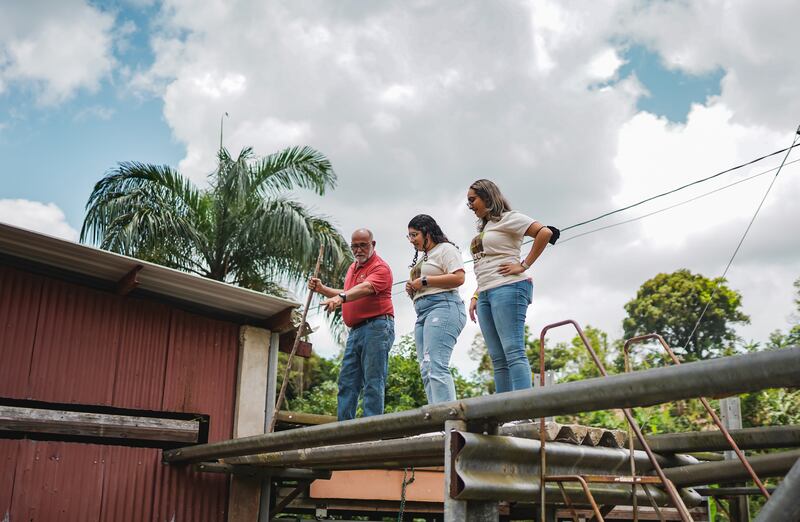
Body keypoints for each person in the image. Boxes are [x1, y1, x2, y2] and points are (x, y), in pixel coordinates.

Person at [467, 179, 552, 393]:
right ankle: (504, 413)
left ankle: (523, 411)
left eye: (472, 200)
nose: (470, 206)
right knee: (497, 358)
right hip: (485, 292)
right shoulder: (486, 227)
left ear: (487, 196)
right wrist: (476, 295)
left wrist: (523, 264)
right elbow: (485, 264)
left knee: (513, 351)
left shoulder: (509, 218)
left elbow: (545, 233)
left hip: (508, 287)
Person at [308, 228, 395, 421]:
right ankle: (344, 432)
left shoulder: (380, 268)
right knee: (347, 381)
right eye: (354, 246)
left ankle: (370, 432)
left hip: (377, 327)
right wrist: (322, 289)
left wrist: (340, 297)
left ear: (373, 245)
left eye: (363, 245)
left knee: (373, 381)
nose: (358, 250)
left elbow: (363, 289)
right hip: (355, 331)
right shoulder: (352, 268)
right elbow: (348, 292)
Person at [405, 214, 467, 404]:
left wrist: (424, 281)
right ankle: (436, 416)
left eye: (414, 235)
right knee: (425, 367)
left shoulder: (446, 249)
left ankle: (447, 418)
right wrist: (412, 290)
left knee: (435, 364)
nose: (411, 240)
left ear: (427, 232)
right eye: (409, 236)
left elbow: (459, 278)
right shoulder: (425, 257)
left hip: (444, 307)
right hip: (422, 313)